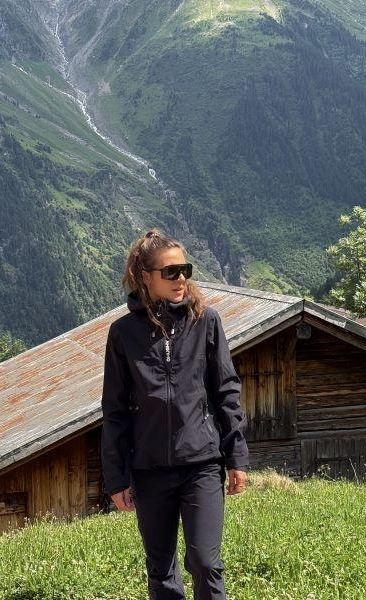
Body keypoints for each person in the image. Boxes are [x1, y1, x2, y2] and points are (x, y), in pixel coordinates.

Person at [101, 228, 249, 600]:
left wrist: (236, 457)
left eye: (185, 270)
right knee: (162, 572)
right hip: (149, 470)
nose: (181, 278)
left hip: (201, 463)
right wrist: (116, 477)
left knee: (205, 562)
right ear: (145, 277)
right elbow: (115, 411)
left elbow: (226, 391)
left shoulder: (206, 322)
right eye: (171, 272)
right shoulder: (123, 334)